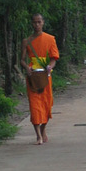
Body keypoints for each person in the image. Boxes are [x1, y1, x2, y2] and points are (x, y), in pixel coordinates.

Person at [20, 13, 60, 145]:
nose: (37, 25)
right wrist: (27, 68)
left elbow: (54, 58)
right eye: (34, 22)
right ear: (31, 24)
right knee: (34, 106)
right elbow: (21, 60)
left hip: (45, 76)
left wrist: (50, 67)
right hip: (32, 77)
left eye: (39, 22)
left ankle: (43, 129)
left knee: (46, 104)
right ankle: (38, 135)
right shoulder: (27, 41)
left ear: (43, 23)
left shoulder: (50, 39)